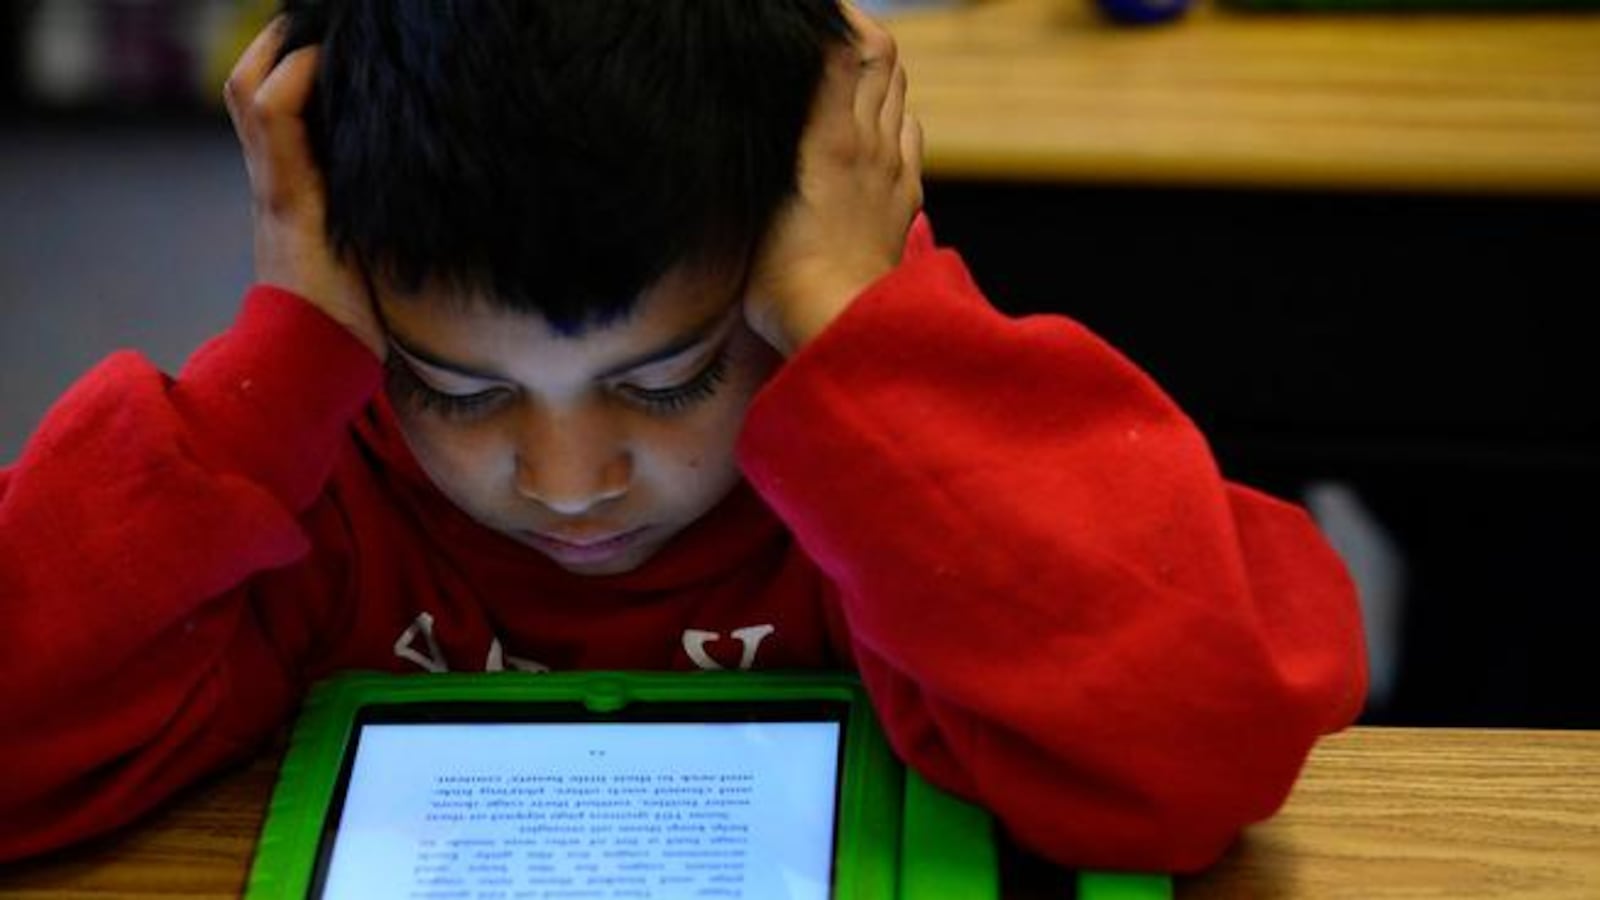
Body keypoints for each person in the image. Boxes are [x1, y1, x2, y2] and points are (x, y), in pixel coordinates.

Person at [0, 0, 1365, 871]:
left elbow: (1210, 747)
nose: (568, 483)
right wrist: (284, 366)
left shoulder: (888, 450)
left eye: (667, 385)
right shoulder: (326, 470)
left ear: (792, 276)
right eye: (460, 393)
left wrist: (859, 328)